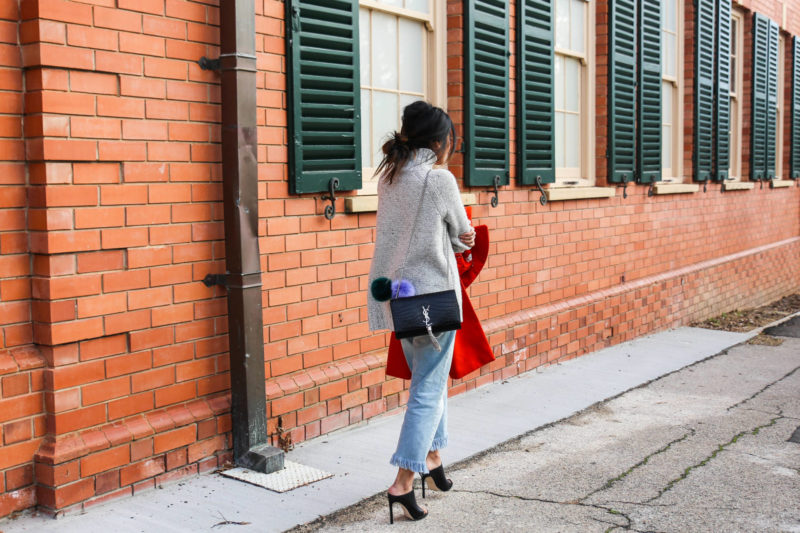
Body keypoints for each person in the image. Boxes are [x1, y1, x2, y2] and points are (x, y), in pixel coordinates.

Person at [367, 101, 475, 523]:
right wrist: (460, 234)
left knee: (429, 379)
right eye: (451, 140)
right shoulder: (438, 179)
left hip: (398, 296)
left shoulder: (390, 177)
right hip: (432, 298)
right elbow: (463, 237)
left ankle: (432, 457)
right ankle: (403, 482)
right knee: (428, 389)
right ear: (439, 142)